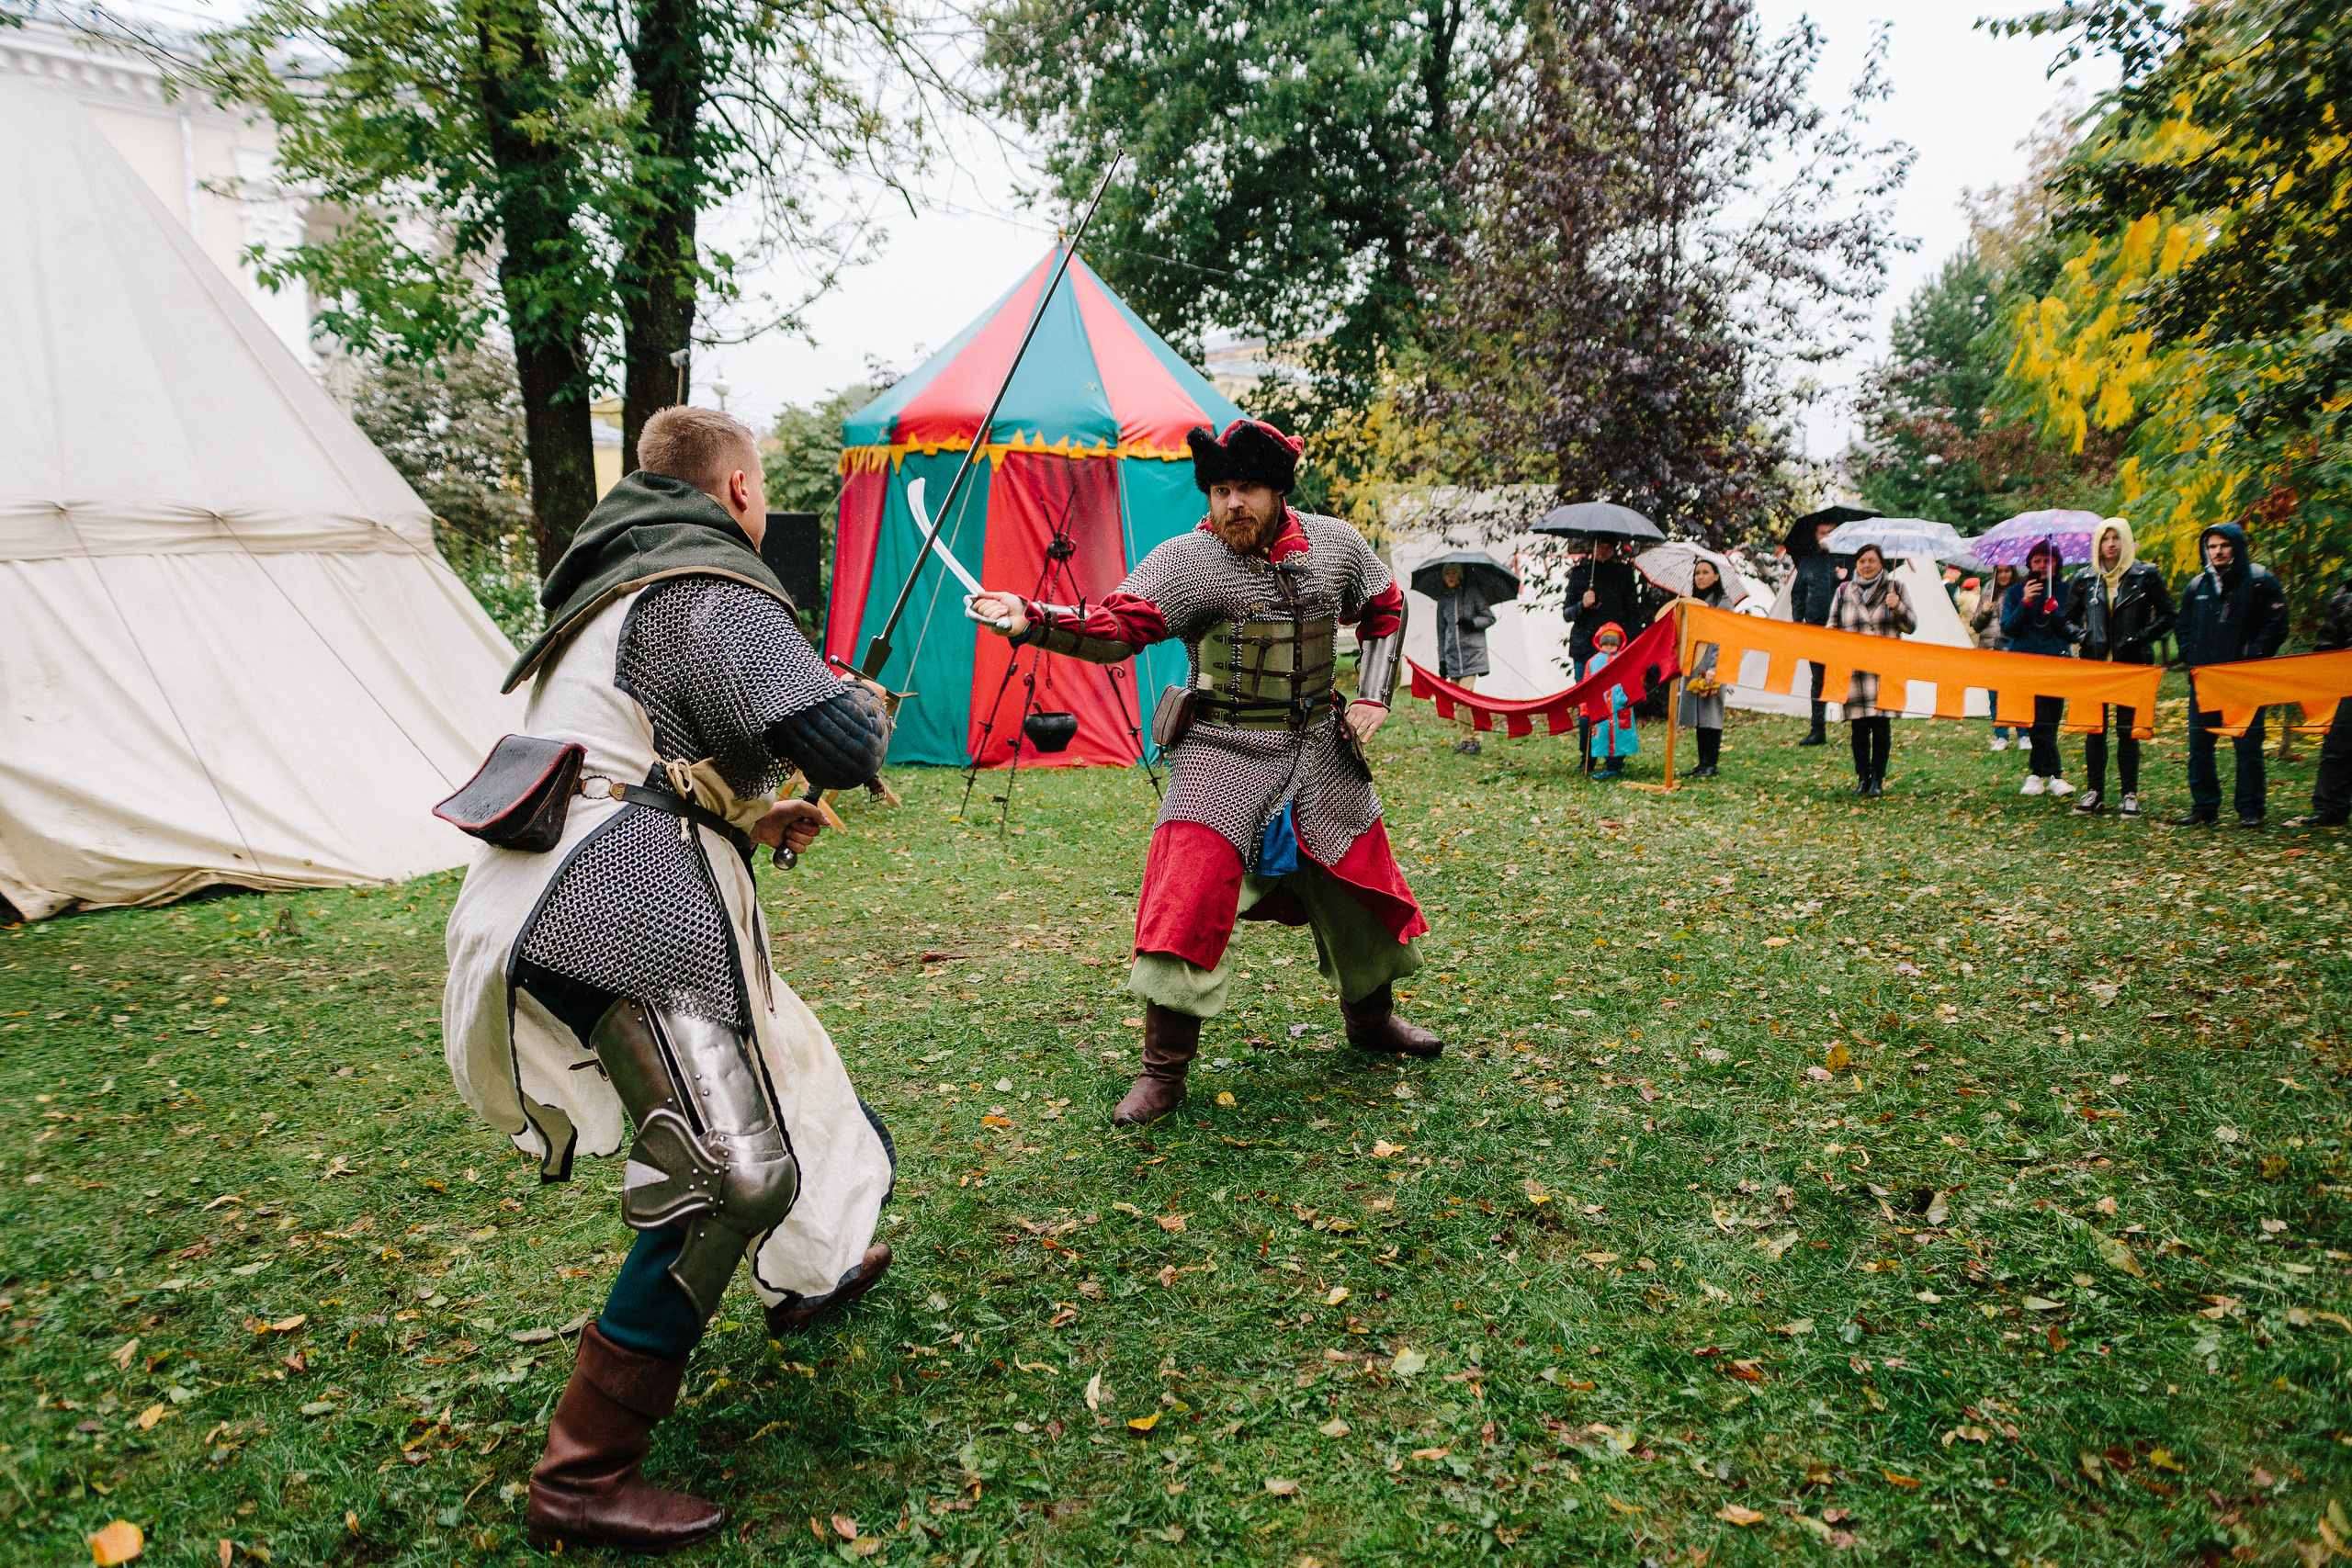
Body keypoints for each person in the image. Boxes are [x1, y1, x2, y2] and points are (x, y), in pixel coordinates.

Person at [440, 408, 899, 1551]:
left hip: (578, 877)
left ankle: (813, 1268)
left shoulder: (617, 578)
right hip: (617, 899)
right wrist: (861, 711)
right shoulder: (706, 577)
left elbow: (647, 750)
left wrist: (753, 805)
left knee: (790, 1074)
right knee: (730, 1172)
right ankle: (584, 1475)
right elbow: (838, 738)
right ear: (740, 489)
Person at [967, 417, 1440, 1126]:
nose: (1231, 505)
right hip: (1221, 751)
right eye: (1219, 490)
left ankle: (1371, 1019)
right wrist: (1033, 617)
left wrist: (1373, 694)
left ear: (1279, 489)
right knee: (1186, 894)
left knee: (1359, 885)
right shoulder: (1187, 559)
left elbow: (1384, 607)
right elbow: (1117, 626)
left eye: (1245, 487)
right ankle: (1163, 1072)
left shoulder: (1336, 544)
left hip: (1318, 746)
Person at [2175, 521, 2292, 826]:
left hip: (2244, 679)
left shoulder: (2260, 580)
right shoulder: (2197, 585)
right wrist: (2191, 655)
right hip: (2205, 679)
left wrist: (2256, 652)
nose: (2218, 551)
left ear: (2236, 547)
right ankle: (2204, 808)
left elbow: (2278, 624)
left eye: (2224, 545)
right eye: (2212, 546)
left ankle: (2250, 811)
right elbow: (2182, 627)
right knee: (2199, 746)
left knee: (2248, 746)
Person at [2064, 518, 2175, 817]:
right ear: (2098, 543)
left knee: (2127, 731)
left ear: (2126, 541)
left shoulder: (2146, 575)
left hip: (2132, 664)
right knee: (2094, 730)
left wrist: (2141, 637)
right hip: (2095, 665)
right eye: (2105, 538)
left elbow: (2168, 614)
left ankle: (2129, 794)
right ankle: (2095, 792)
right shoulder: (2086, 577)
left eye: (2116, 538)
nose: (2110, 544)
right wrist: (2082, 635)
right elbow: (2065, 619)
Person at [1826, 543, 1914, 795]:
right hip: (1854, 669)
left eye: (1872, 561)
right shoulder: (1844, 590)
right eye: (1862, 560)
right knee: (1858, 725)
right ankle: (1862, 777)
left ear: (1882, 564)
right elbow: (1832, 627)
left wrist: (1898, 607)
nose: (1867, 565)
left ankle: (1878, 779)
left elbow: (1911, 626)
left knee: (1881, 724)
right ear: (1856, 564)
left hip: (1886, 668)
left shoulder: (1896, 589)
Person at [2001, 542, 2077, 798]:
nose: (2043, 566)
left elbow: (2071, 628)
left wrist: (2054, 609)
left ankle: (2038, 774)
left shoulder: (2068, 591)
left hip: (2056, 661)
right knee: (2034, 719)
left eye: (2048, 560)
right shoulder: (2014, 592)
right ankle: (2051, 775)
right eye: (2037, 561)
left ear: (2057, 563)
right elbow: (2008, 629)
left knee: (2051, 717)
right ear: (2029, 564)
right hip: (2024, 663)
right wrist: (2025, 602)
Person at [2287, 571, 2352, 829]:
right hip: (2348, 681)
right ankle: (2330, 810)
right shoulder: (2344, 593)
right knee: (2338, 745)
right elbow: (2326, 641)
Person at [1788, 518, 1852, 746]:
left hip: (1846, 628)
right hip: (1815, 627)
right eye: (1822, 533)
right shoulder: (1807, 562)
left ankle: (1856, 724)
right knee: (1818, 680)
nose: (1826, 536)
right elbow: (1797, 594)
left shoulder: (1852, 560)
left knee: (1849, 677)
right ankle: (1818, 730)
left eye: (1830, 532)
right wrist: (1799, 621)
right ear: (1816, 536)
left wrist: (1846, 576)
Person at [1431, 561, 1498, 756]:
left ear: (1460, 575)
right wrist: (1442, 660)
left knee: (1464, 700)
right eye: (1447, 574)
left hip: (1472, 656)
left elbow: (1490, 617)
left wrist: (1473, 622)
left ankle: (1474, 740)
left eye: (1453, 573)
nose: (1450, 577)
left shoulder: (1473, 594)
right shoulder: (1443, 600)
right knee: (1457, 700)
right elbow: (1441, 631)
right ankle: (1466, 739)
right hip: (1452, 658)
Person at [1679, 558, 1732, 778]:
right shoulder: (1691, 602)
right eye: (1697, 573)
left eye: (1705, 572)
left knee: (1711, 713)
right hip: (1693, 663)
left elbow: (1724, 638)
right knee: (1699, 716)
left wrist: (1714, 668)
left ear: (1716, 576)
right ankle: (1702, 763)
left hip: (1713, 664)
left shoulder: (1723, 603)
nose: (1700, 577)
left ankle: (1712, 764)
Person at [1565, 538, 1643, 679]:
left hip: (1614, 647)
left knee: (1613, 696)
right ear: (1593, 547)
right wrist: (1582, 605)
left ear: (1614, 549)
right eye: (1600, 546)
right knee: (1583, 696)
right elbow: (1567, 614)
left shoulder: (1623, 574)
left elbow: (1632, 613)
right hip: (1584, 648)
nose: (1603, 551)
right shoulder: (1580, 573)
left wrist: (1628, 647)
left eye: (1608, 547)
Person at [1970, 562, 2019, 751]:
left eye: (2008, 571)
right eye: (2000, 571)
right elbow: (1975, 625)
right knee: (1994, 696)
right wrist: (1984, 611)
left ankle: (2023, 734)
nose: (2004, 575)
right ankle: (2001, 735)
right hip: (1990, 649)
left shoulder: (2019, 592)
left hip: (2013, 649)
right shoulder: (1987, 593)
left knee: (2016, 693)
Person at [1585, 623, 1640, 778]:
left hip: (1620, 705)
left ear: (1619, 644)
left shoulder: (1624, 659)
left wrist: (1628, 697)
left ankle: (1617, 765)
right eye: (1606, 644)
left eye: (1612, 644)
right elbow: (1586, 684)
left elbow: (1634, 679)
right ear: (1600, 643)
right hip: (1601, 707)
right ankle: (1610, 766)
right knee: (1602, 736)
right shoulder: (1593, 661)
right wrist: (1585, 708)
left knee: (1621, 736)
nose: (1609, 647)